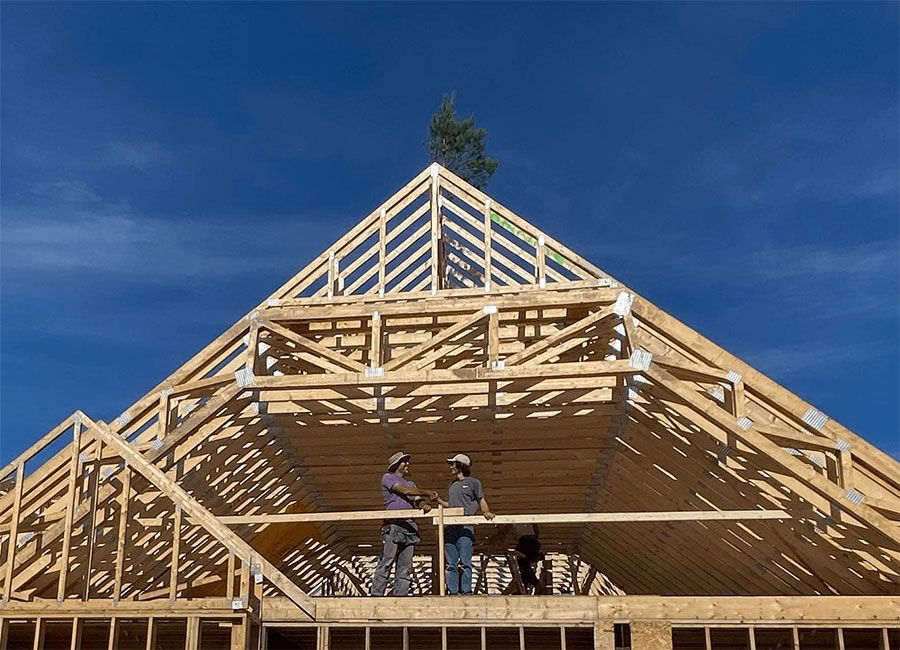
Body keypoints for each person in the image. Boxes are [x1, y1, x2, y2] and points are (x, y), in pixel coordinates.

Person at [370, 452, 439, 596]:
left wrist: (423, 504)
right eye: (404, 462)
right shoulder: (388, 478)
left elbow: (416, 498)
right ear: (396, 465)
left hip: (409, 526)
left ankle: (401, 596)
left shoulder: (411, 483)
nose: (407, 464)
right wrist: (427, 492)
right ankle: (376, 596)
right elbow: (405, 491)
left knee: (405, 566)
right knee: (386, 562)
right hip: (393, 524)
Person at [443, 453, 494, 595]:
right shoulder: (452, 485)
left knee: (465, 562)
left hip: (466, 527)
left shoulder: (473, 482)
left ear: (461, 466)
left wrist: (486, 512)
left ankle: (466, 592)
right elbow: (449, 505)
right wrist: (438, 500)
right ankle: (453, 592)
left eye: (453, 464)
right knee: (451, 563)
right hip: (450, 526)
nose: (451, 467)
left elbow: (481, 499)